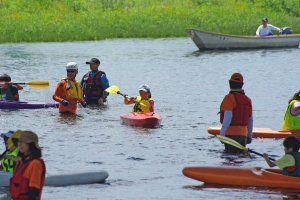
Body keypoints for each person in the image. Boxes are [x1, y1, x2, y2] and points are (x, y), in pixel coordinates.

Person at [219, 73, 253, 151]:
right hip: (243, 136)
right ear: (242, 84)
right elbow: (250, 120)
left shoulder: (229, 98)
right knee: (240, 159)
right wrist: (249, 136)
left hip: (230, 136)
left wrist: (222, 134)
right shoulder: (248, 100)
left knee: (229, 159)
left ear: (230, 84)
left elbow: (228, 117)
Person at [10, 131, 46, 200]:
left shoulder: (35, 163)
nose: (19, 144)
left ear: (31, 145)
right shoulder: (20, 162)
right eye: (19, 141)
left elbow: (34, 190)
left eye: (23, 142)